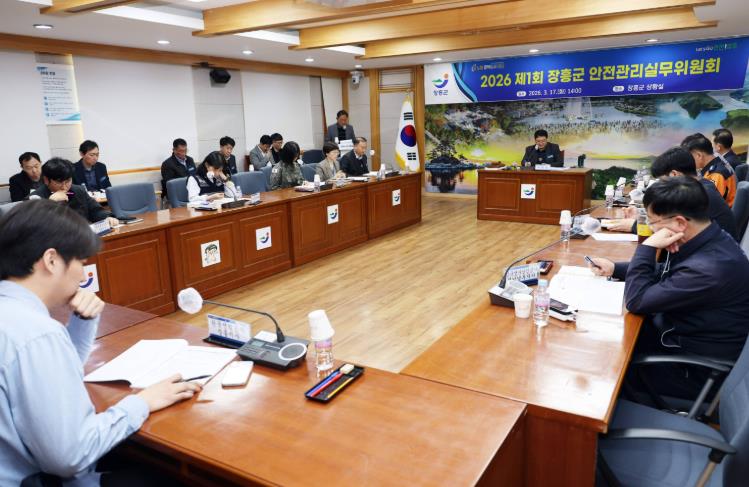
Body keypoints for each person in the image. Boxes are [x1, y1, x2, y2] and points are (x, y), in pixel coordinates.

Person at [0, 199, 200, 486]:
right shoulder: (37, 333)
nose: (83, 276)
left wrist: (83, 321)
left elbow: (57, 375)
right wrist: (142, 402)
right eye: (81, 263)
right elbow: (70, 456)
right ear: (52, 260)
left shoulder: (16, 317)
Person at [588, 177, 749, 403]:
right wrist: (616, 268)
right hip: (675, 341)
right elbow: (670, 273)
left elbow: (637, 300)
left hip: (689, 372)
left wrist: (647, 246)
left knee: (599, 368)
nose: (651, 228)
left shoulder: (709, 269)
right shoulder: (710, 237)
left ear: (680, 222)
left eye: (652, 222)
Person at [605, 147, 737, 240]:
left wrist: (635, 226)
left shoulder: (698, 195)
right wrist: (642, 216)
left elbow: (675, 230)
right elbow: (671, 219)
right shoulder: (700, 186)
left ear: (674, 174)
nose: (662, 185)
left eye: (662, 181)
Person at [30, 158, 119, 227]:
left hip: (81, 236)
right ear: (46, 180)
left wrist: (107, 217)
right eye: (59, 182)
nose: (64, 187)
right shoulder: (35, 198)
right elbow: (35, 226)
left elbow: (95, 211)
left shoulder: (78, 190)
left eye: (68, 181)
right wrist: (50, 203)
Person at [682, 132, 736, 207]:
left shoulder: (716, 174)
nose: (689, 161)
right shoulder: (717, 164)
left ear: (699, 155)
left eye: (690, 157)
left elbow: (709, 203)